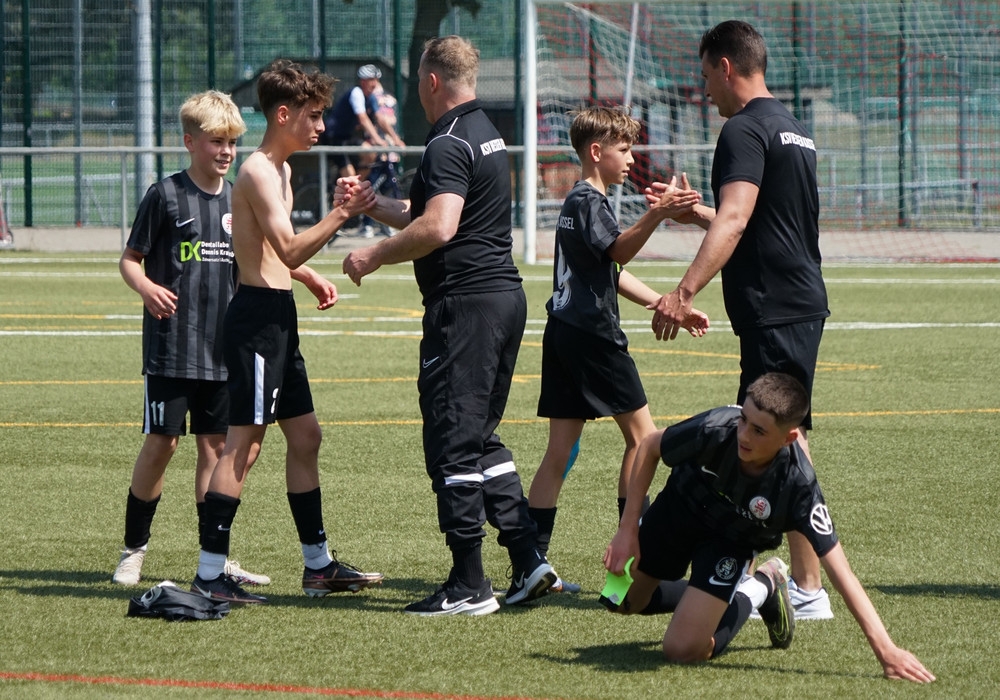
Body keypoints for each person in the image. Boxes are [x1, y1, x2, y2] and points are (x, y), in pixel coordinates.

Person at [341, 36, 555, 616]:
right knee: (480, 436)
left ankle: (468, 585)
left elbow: (438, 228)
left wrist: (372, 254)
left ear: (431, 81)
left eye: (417, 80)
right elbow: (433, 213)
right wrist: (374, 205)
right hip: (502, 298)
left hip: (466, 306)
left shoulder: (446, 140)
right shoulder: (483, 131)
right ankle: (528, 561)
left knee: (452, 441)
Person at [647, 20, 832, 619]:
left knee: (774, 438)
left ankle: (807, 587)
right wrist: (696, 213)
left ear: (726, 66)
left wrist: (682, 291)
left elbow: (737, 219)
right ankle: (799, 583)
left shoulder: (743, 129)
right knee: (781, 434)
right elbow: (760, 219)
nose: (706, 91)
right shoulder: (793, 128)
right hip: (796, 302)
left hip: (774, 306)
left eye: (707, 76)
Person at [189, 59, 381, 605]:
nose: (320, 126)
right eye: (312, 116)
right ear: (282, 114)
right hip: (255, 322)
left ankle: (318, 566)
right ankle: (209, 574)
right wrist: (342, 214)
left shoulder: (283, 171)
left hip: (279, 316)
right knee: (243, 447)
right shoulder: (255, 171)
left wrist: (307, 276)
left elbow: (276, 253)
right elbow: (290, 247)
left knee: (306, 436)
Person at [602, 372, 935, 683]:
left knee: (681, 650)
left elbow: (841, 572)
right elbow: (650, 446)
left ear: (788, 438)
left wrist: (886, 650)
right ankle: (710, 598)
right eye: (744, 420)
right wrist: (627, 530)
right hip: (679, 511)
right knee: (617, 599)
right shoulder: (717, 427)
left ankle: (761, 586)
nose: (744, 435)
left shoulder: (799, 488)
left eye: (759, 431)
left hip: (730, 541)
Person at [526, 105, 707, 592]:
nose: (631, 159)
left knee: (559, 452)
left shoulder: (578, 201)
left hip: (562, 331)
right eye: (624, 150)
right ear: (595, 151)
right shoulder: (589, 201)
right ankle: (632, 564)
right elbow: (619, 251)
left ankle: (530, 562)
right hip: (593, 337)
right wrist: (658, 213)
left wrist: (664, 303)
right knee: (644, 441)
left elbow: (610, 271)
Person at [112, 90, 269, 588]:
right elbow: (130, 260)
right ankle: (133, 550)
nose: (226, 151)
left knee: (216, 449)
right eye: (216, 141)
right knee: (162, 443)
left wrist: (306, 276)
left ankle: (214, 558)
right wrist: (146, 288)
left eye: (232, 142)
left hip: (224, 349)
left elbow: (263, 259)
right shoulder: (164, 195)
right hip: (172, 345)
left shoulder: (239, 197)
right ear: (190, 142)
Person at [323, 64, 405, 181]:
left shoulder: (371, 98)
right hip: (333, 138)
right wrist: (378, 140)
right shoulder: (356, 93)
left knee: (370, 154)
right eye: (371, 80)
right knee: (350, 174)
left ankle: (356, 189)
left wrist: (396, 139)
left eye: (376, 80)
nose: (375, 83)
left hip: (347, 137)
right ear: (363, 82)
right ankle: (350, 187)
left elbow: (380, 119)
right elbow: (363, 119)